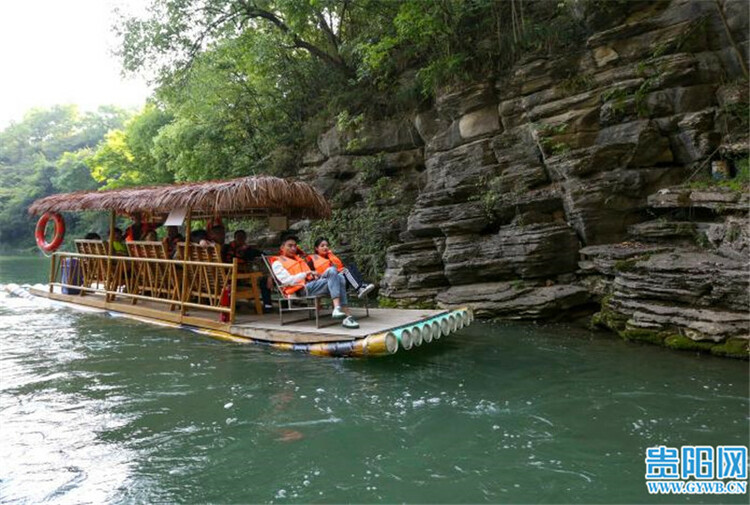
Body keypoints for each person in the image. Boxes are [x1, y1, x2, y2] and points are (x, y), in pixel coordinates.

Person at [271, 234, 358, 329]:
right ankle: (346, 315)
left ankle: (338, 309)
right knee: (338, 277)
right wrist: (306, 274)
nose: (293, 248)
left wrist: (314, 274)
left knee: (335, 272)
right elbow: (287, 280)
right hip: (302, 289)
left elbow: (310, 275)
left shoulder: (298, 259)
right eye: (290, 246)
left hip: (313, 283)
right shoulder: (277, 263)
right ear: (282, 247)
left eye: (295, 246)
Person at [307, 237, 375, 299]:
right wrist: (315, 277)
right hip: (327, 283)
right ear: (316, 248)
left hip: (339, 280)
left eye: (327, 245)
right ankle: (359, 288)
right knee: (346, 270)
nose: (325, 247)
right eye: (322, 246)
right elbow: (309, 276)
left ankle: (361, 285)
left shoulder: (330, 257)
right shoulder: (312, 261)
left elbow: (339, 267)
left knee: (352, 265)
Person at [223, 229, 273, 312]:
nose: (241, 240)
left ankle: (267, 305)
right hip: (236, 277)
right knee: (263, 279)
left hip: (227, 276)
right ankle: (267, 305)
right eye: (240, 238)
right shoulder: (243, 249)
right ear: (235, 238)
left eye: (242, 238)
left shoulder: (226, 247)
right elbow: (260, 254)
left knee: (263, 277)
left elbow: (260, 254)